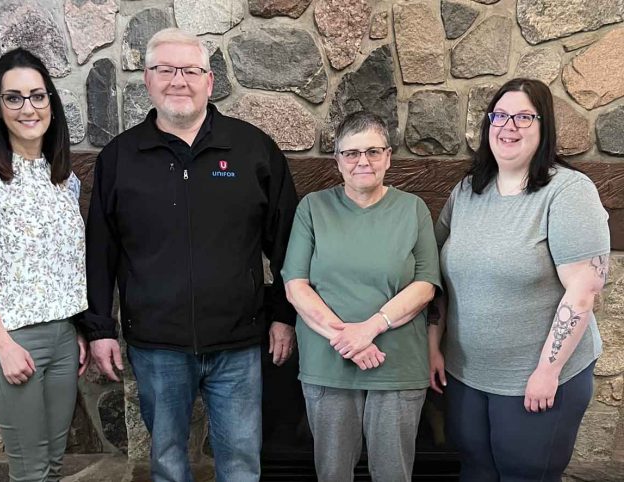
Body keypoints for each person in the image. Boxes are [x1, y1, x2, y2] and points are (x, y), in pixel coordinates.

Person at [77, 28, 297, 482]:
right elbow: (101, 251)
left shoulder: (253, 150)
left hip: (238, 343)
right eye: (165, 69)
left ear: (209, 81)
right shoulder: (121, 157)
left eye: (190, 70)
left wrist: (283, 315)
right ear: (148, 79)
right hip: (156, 346)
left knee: (240, 463)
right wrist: (100, 328)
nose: (179, 80)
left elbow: (287, 242)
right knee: (168, 463)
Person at [429, 78, 610, 481]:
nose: (509, 126)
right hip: (466, 375)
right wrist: (433, 344)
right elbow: (434, 274)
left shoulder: (568, 193)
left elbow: (582, 293)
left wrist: (548, 372)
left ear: (544, 128)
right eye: (500, 115)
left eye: (524, 117)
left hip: (538, 379)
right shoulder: (466, 192)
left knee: (525, 474)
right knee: (475, 469)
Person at [281, 111, 442, 482]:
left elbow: (425, 286)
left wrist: (369, 329)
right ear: (337, 160)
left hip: (398, 365)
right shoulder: (313, 208)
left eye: (372, 151)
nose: (362, 162)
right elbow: (296, 285)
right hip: (328, 366)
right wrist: (348, 339)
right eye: (351, 153)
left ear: (388, 156)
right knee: (333, 473)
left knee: (393, 474)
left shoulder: (412, 209)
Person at [0, 48, 89, 482]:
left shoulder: (65, 181)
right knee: (30, 472)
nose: (28, 108)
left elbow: (64, 265)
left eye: (37, 96)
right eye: (14, 98)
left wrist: (78, 331)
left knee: (52, 465)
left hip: (64, 339)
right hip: (13, 341)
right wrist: (3, 344)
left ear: (51, 102)